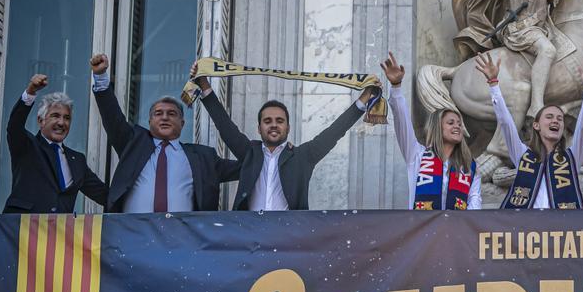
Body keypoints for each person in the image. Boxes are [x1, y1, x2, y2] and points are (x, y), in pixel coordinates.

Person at [191, 63, 376, 211]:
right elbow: (225, 126)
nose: (273, 124)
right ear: (259, 128)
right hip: (248, 233)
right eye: (267, 121)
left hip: (289, 236)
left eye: (279, 121)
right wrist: (204, 86)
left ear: (288, 128)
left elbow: (335, 131)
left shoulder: (303, 157)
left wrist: (364, 99)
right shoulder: (250, 153)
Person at [91, 54, 240, 213]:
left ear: (182, 123)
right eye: (158, 113)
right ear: (149, 122)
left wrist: (205, 87)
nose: (164, 117)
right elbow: (112, 116)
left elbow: (249, 166)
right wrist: (100, 76)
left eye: (172, 113)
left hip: (182, 235)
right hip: (133, 234)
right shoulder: (133, 144)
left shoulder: (204, 158)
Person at [475, 51, 583, 209]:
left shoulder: (573, 157)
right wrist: (493, 84)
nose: (555, 120)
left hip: (561, 229)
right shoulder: (522, 155)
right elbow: (506, 124)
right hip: (527, 229)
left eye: (559, 118)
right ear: (536, 125)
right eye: (549, 117)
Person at [381, 51, 482, 210]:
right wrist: (396, 87)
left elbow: (475, 204)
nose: (457, 126)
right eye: (450, 122)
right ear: (437, 128)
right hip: (423, 231)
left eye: (459, 123)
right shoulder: (417, 155)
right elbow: (402, 123)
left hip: (457, 232)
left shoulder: (469, 166)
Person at [2, 74, 108, 214]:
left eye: (67, 118)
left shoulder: (77, 161)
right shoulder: (27, 146)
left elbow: (104, 195)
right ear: (41, 121)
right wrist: (31, 91)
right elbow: (14, 126)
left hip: (59, 234)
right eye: (55, 116)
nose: (61, 123)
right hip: (23, 232)